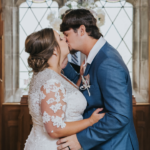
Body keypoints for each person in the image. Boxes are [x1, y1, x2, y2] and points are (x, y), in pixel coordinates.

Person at [57, 9, 139, 150]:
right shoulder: (95, 57)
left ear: (81, 30)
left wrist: (81, 140)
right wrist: (60, 59)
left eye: (66, 34)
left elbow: (119, 116)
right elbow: (86, 89)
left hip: (115, 145)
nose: (65, 39)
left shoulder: (107, 62)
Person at [24, 28, 105, 150]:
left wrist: (80, 78)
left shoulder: (49, 74)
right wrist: (90, 121)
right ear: (55, 50)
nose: (65, 39)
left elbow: (64, 97)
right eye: (61, 39)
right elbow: (54, 129)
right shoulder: (51, 81)